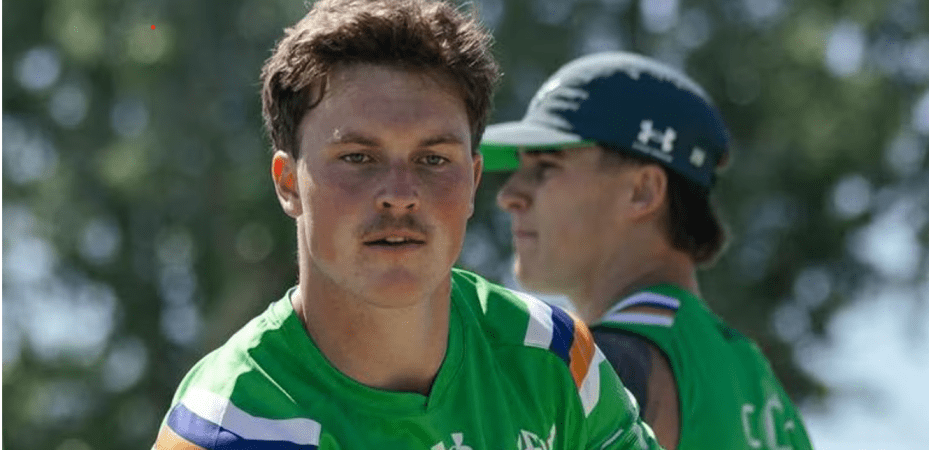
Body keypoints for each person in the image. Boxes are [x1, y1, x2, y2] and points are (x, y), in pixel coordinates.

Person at [153, 3, 664, 449]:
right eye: (358, 157)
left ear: (472, 181)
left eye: (433, 159)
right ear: (288, 184)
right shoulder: (229, 424)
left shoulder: (551, 355)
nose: (400, 193)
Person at [482, 52, 814, 450]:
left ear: (643, 191)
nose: (509, 195)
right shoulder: (761, 385)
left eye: (546, 166)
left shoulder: (610, 366)